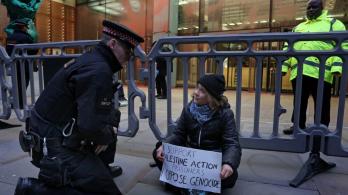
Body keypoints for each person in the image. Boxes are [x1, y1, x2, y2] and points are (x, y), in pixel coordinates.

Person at [15, 20, 144, 195]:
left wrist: (109, 129)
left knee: (108, 125)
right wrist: (106, 135)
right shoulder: (99, 71)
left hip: (48, 133)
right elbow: (90, 126)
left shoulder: (92, 60)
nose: (129, 58)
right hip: (54, 144)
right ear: (113, 44)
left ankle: (97, 169)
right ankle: (33, 190)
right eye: (128, 52)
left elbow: (99, 112)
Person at [153, 74, 241, 194]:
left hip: (210, 162)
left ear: (211, 96)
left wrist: (228, 164)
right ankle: (192, 186)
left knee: (231, 175)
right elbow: (179, 134)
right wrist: (165, 145)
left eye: (202, 91)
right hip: (190, 159)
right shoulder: (189, 109)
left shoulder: (225, 114)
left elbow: (231, 143)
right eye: (197, 88)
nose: (196, 92)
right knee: (158, 150)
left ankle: (182, 186)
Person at [282, 0, 346, 135]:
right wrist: (284, 67)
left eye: (314, 7)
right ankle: (298, 126)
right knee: (299, 101)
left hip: (321, 72)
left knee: (322, 102)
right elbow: (288, 48)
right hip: (298, 71)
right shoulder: (299, 27)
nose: (310, 9)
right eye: (308, 7)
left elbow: (343, 45)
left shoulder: (333, 24)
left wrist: (337, 67)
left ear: (322, 8)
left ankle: (321, 127)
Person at [5, 18, 36, 109]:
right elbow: (33, 51)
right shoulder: (26, 37)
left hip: (14, 64)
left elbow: (8, 51)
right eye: (26, 27)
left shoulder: (10, 37)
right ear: (23, 27)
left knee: (16, 84)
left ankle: (14, 103)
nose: (27, 29)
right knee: (23, 84)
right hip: (25, 65)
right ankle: (21, 104)